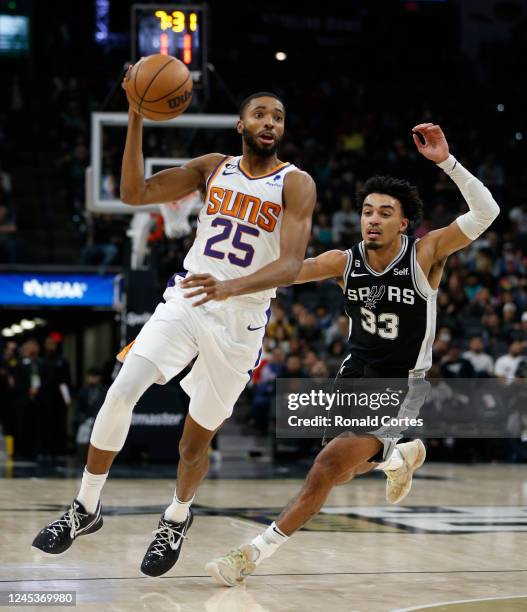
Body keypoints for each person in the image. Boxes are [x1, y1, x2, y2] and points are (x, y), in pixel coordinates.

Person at [32, 89, 316, 578]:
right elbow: (134, 194)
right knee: (121, 392)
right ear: (241, 124)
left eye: (278, 116)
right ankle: (85, 507)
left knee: (192, 444)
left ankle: (177, 517)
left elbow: (290, 265)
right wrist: (136, 116)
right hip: (188, 297)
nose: (270, 122)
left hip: (240, 318)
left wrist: (230, 287)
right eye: (260, 114)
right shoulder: (213, 167)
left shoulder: (296, 183)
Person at [205, 122, 500, 586]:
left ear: (404, 222)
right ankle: (399, 459)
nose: (373, 219)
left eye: (385, 212)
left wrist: (446, 162)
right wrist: (226, 283)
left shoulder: (425, 254)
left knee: (324, 469)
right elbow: (287, 271)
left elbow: (487, 211)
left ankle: (251, 555)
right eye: (367, 211)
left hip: (401, 383)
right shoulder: (344, 262)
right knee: (343, 469)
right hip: (354, 373)